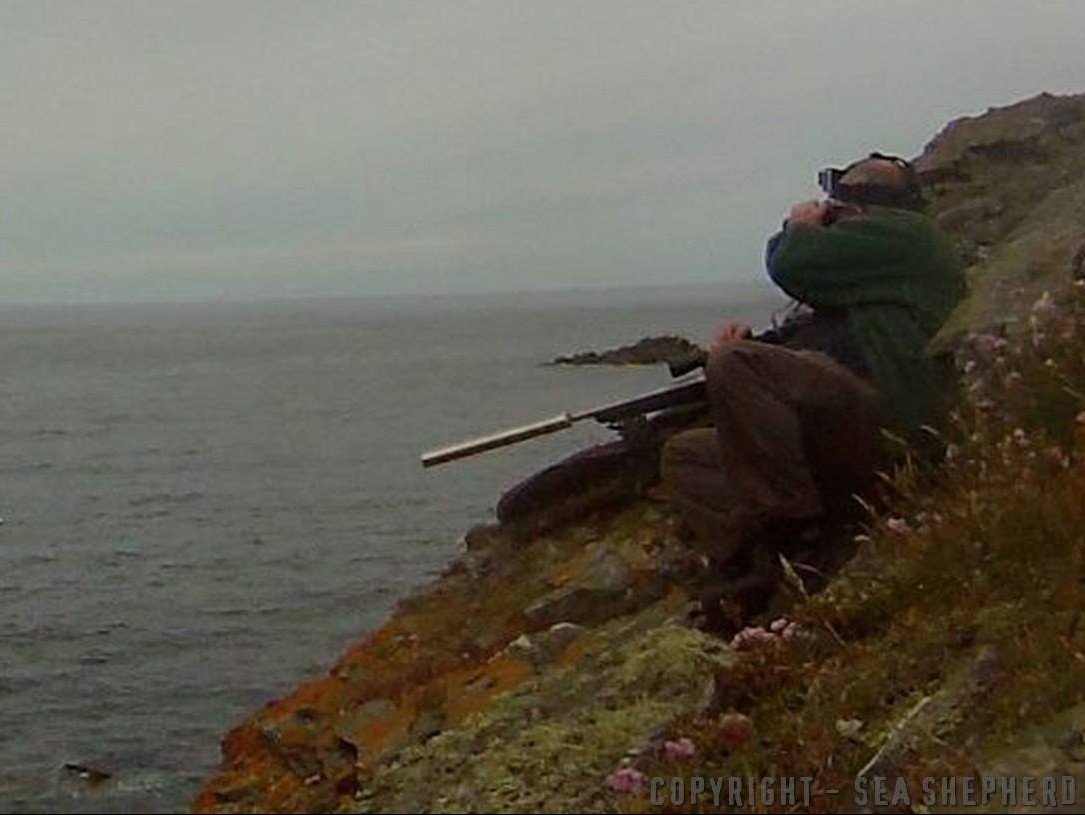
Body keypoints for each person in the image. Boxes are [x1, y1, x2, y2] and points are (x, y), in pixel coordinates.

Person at [659, 153, 966, 582]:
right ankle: (760, 559)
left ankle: (797, 536)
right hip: (835, 441)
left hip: (887, 427)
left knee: (734, 364)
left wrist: (800, 225)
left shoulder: (911, 236)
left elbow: (791, 261)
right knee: (687, 456)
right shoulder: (873, 272)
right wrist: (747, 352)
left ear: (855, 207)